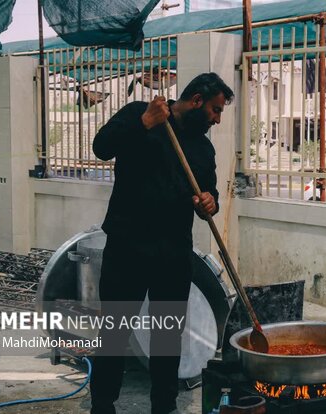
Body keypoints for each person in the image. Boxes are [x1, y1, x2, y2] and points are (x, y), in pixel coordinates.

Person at [89, 72, 234, 414]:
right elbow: (101, 148)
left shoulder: (202, 147)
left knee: (167, 337)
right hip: (128, 247)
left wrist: (210, 201)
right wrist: (143, 122)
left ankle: (163, 407)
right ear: (196, 100)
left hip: (172, 253)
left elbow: (207, 192)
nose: (216, 119)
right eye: (214, 110)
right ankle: (102, 405)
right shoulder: (141, 113)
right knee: (114, 332)